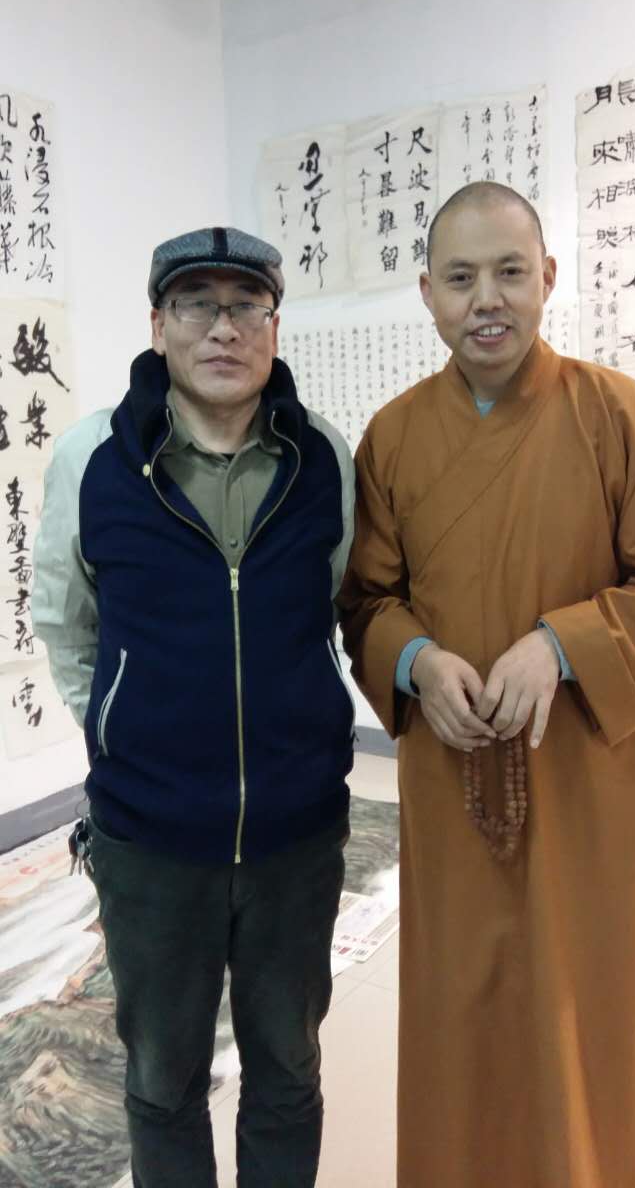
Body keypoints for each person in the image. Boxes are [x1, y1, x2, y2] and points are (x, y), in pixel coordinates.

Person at [338, 182, 635, 1188]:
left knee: (598, 1011)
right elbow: (366, 600)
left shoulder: (617, 414)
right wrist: (417, 661)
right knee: (466, 1010)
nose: (487, 299)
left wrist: (561, 645)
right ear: (428, 293)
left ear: (548, 277)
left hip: (589, 776)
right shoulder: (393, 437)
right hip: (451, 776)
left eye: (510, 271)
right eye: (461, 277)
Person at [31, 226, 356, 1188]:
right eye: (197, 305)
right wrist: (123, 732)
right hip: (151, 842)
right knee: (163, 1078)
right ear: (158, 324)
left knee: (288, 1070)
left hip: (297, 836)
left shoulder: (322, 456)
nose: (224, 327)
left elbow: (337, 600)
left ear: (274, 323)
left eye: (246, 304)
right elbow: (64, 620)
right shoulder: (94, 457)